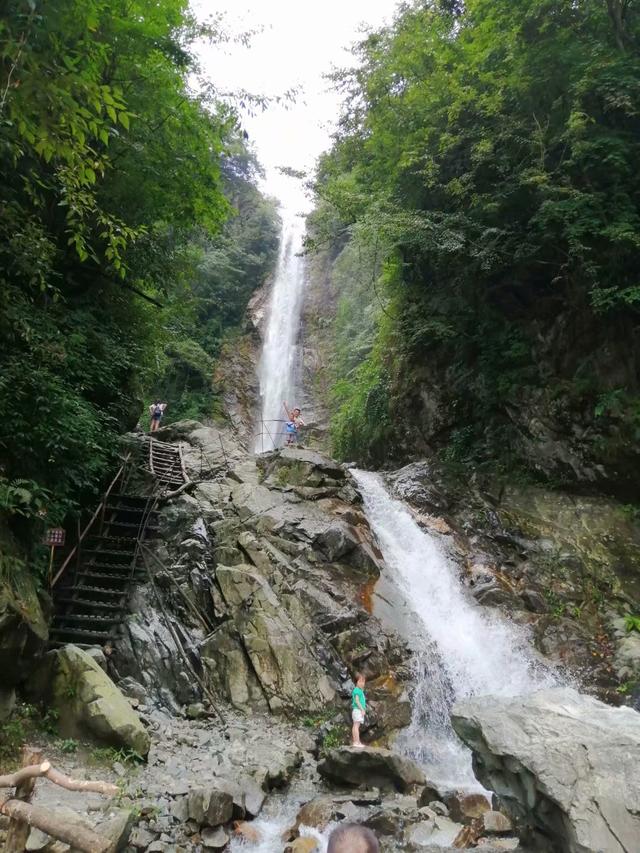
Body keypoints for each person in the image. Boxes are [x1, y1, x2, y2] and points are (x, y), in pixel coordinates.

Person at [351, 672, 367, 748]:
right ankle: (356, 742)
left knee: (355, 726)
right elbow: (357, 701)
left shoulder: (359, 690)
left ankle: (356, 741)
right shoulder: (357, 690)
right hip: (357, 710)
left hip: (357, 710)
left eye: (363, 682)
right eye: (360, 681)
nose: (362, 683)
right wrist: (362, 710)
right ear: (356, 682)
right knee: (356, 726)